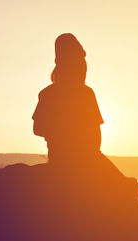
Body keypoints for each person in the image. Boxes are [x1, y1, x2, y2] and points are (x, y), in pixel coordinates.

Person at [32, 33, 104, 164]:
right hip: (84, 159)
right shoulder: (86, 93)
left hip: (66, 157)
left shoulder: (47, 93)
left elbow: (38, 128)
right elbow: (96, 134)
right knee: (127, 184)